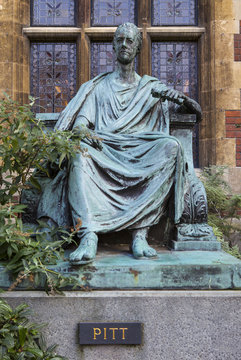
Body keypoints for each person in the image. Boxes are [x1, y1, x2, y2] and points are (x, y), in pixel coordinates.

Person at [37, 23, 202, 264]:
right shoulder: (98, 87)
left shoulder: (151, 88)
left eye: (130, 41)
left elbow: (197, 113)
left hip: (139, 150)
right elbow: (81, 125)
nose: (124, 44)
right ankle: (88, 234)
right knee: (79, 151)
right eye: (120, 40)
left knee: (171, 146)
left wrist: (183, 99)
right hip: (105, 148)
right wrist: (91, 138)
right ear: (114, 46)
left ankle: (140, 234)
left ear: (138, 48)